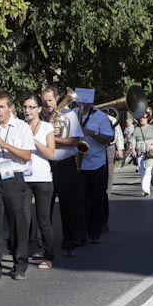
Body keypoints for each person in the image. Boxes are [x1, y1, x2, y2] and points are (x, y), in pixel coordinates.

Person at [0, 90, 34, 278]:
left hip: (14, 177)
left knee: (17, 221)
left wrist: (5, 145)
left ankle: (20, 264)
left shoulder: (22, 127)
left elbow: (27, 155)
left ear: (10, 107)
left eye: (1, 107)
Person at [41, 86, 85, 257]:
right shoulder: (41, 117)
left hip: (65, 163)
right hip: (47, 164)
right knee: (45, 208)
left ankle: (69, 243)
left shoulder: (69, 115)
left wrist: (54, 138)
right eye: (44, 101)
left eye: (50, 100)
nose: (48, 104)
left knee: (68, 205)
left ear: (57, 99)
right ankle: (46, 246)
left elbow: (75, 141)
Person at [74, 92, 114, 243]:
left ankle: (94, 232)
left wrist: (91, 133)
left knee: (96, 199)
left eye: (85, 102)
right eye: (80, 102)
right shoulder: (72, 115)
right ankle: (81, 233)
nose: (82, 105)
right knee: (79, 200)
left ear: (91, 103)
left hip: (96, 163)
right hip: (77, 163)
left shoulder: (100, 117)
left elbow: (108, 138)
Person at [22, 94, 55, 268]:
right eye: (25, 107)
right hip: (24, 177)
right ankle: (21, 256)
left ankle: (48, 256)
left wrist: (33, 141)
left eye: (31, 107)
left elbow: (51, 153)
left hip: (42, 178)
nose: (27, 111)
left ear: (39, 109)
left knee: (43, 220)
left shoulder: (47, 127)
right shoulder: (20, 126)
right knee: (23, 219)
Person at [131, 113, 153, 196]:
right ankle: (145, 188)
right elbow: (133, 140)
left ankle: (146, 189)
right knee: (141, 169)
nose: (142, 119)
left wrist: (150, 143)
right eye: (141, 118)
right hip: (140, 150)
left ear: (147, 118)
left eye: (144, 117)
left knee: (148, 169)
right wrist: (133, 150)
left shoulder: (151, 128)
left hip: (149, 151)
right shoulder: (136, 129)